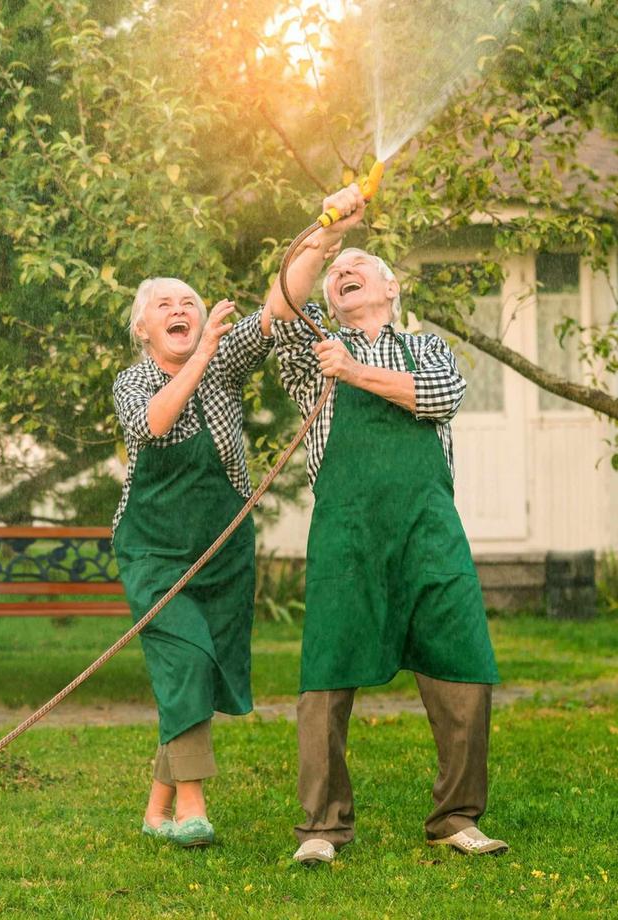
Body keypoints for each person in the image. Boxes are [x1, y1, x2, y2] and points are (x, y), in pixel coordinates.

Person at [266, 184, 507, 865]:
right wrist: (330, 235)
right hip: (347, 534)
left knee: (465, 666)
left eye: (360, 268)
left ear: (391, 288)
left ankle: (457, 818)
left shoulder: (427, 350)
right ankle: (322, 827)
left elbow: (438, 398)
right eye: (341, 275)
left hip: (429, 531)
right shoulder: (315, 348)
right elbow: (281, 303)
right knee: (325, 678)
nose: (346, 277)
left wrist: (357, 370)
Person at [112, 276, 274, 848]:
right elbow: (153, 423)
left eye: (191, 305)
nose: (179, 311)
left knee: (197, 673)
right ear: (143, 327)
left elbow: (280, 304)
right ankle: (192, 809)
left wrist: (320, 242)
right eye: (165, 305)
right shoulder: (132, 381)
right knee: (187, 662)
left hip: (223, 551)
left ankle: (156, 809)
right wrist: (201, 353)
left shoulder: (225, 364)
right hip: (154, 551)